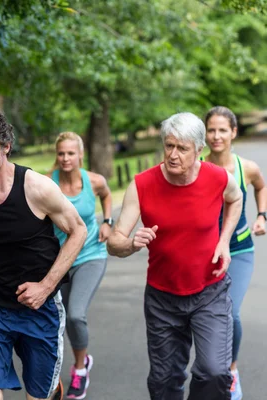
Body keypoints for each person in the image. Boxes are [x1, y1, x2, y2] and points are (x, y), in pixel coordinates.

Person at [0, 108, 88, 400]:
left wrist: (46, 287)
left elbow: (78, 231)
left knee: (38, 395)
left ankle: (51, 389)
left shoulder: (37, 188)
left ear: (6, 147)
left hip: (39, 308)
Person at [107, 112, 243, 400]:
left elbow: (237, 198)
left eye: (182, 148)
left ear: (199, 150)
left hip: (210, 292)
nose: (173, 154)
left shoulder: (218, 178)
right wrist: (131, 244)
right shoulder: (142, 184)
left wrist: (224, 240)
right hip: (162, 300)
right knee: (164, 381)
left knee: (215, 372)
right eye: (169, 146)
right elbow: (114, 242)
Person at [203, 106, 266, 400]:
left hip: (239, 250)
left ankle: (231, 369)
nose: (216, 136)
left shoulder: (246, 168)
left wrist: (262, 215)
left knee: (233, 314)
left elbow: (261, 187)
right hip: (204, 253)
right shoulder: (197, 167)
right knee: (202, 316)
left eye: (222, 130)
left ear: (234, 133)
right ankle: (208, 367)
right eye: (211, 130)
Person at [47, 132, 112, 399]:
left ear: (80, 155)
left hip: (90, 255)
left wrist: (107, 221)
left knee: (75, 314)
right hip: (58, 260)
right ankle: (53, 371)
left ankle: (80, 368)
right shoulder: (46, 183)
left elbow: (107, 196)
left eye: (70, 153)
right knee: (56, 321)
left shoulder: (94, 181)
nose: (65, 158)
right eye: (61, 153)